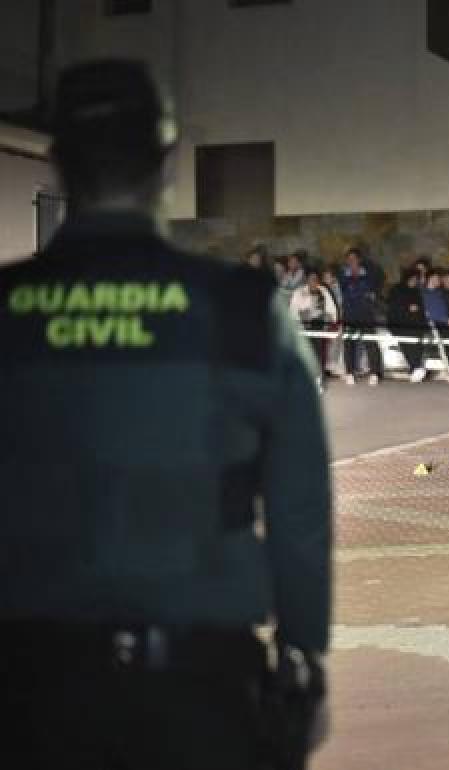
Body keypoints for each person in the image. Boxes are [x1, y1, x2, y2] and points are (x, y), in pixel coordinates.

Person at [0, 59, 330, 769]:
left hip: (27, 688)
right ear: (167, 160)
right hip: (200, 690)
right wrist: (303, 652)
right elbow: (300, 502)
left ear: (57, 160)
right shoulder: (243, 307)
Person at [290, 267, 340, 391]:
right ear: (307, 280)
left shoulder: (323, 291)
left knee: (318, 354)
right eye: (311, 279)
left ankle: (318, 381)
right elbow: (292, 311)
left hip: (319, 326)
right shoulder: (299, 292)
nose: (313, 281)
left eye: (316, 279)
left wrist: (331, 322)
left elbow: (332, 309)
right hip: (303, 326)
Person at [339, 247, 383, 386]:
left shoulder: (369, 273)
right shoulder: (343, 274)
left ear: (359, 260)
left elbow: (375, 285)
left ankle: (375, 372)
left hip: (365, 312)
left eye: (354, 259)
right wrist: (350, 277)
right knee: (348, 343)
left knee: (370, 342)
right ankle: (350, 372)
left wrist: (370, 292)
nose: (352, 262)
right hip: (349, 312)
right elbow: (342, 288)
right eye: (349, 259)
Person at [388, 269, 428, 383]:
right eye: (413, 279)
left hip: (415, 324)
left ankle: (415, 368)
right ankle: (416, 368)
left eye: (416, 279)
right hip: (400, 324)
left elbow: (421, 308)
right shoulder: (396, 290)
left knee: (417, 345)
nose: (414, 281)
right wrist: (407, 308)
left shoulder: (416, 291)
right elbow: (393, 307)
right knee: (408, 345)